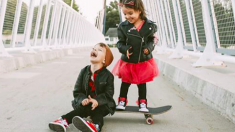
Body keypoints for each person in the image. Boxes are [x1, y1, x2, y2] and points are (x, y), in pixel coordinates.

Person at [49, 43, 115, 132]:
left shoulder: (108, 75)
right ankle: (62, 121)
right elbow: (77, 91)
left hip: (103, 104)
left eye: (99, 50)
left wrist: (97, 101)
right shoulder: (83, 71)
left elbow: (108, 94)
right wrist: (82, 99)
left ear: (104, 60)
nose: (95, 50)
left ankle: (96, 126)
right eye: (94, 48)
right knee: (82, 109)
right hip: (86, 103)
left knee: (97, 111)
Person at [112, 0, 159, 112]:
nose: (128, 16)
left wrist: (149, 48)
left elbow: (153, 39)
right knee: (125, 82)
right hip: (128, 60)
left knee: (142, 83)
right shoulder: (123, 27)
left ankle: (142, 102)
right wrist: (125, 49)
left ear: (139, 10)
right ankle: (122, 101)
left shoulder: (150, 26)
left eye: (130, 13)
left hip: (143, 60)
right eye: (125, 14)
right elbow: (120, 43)